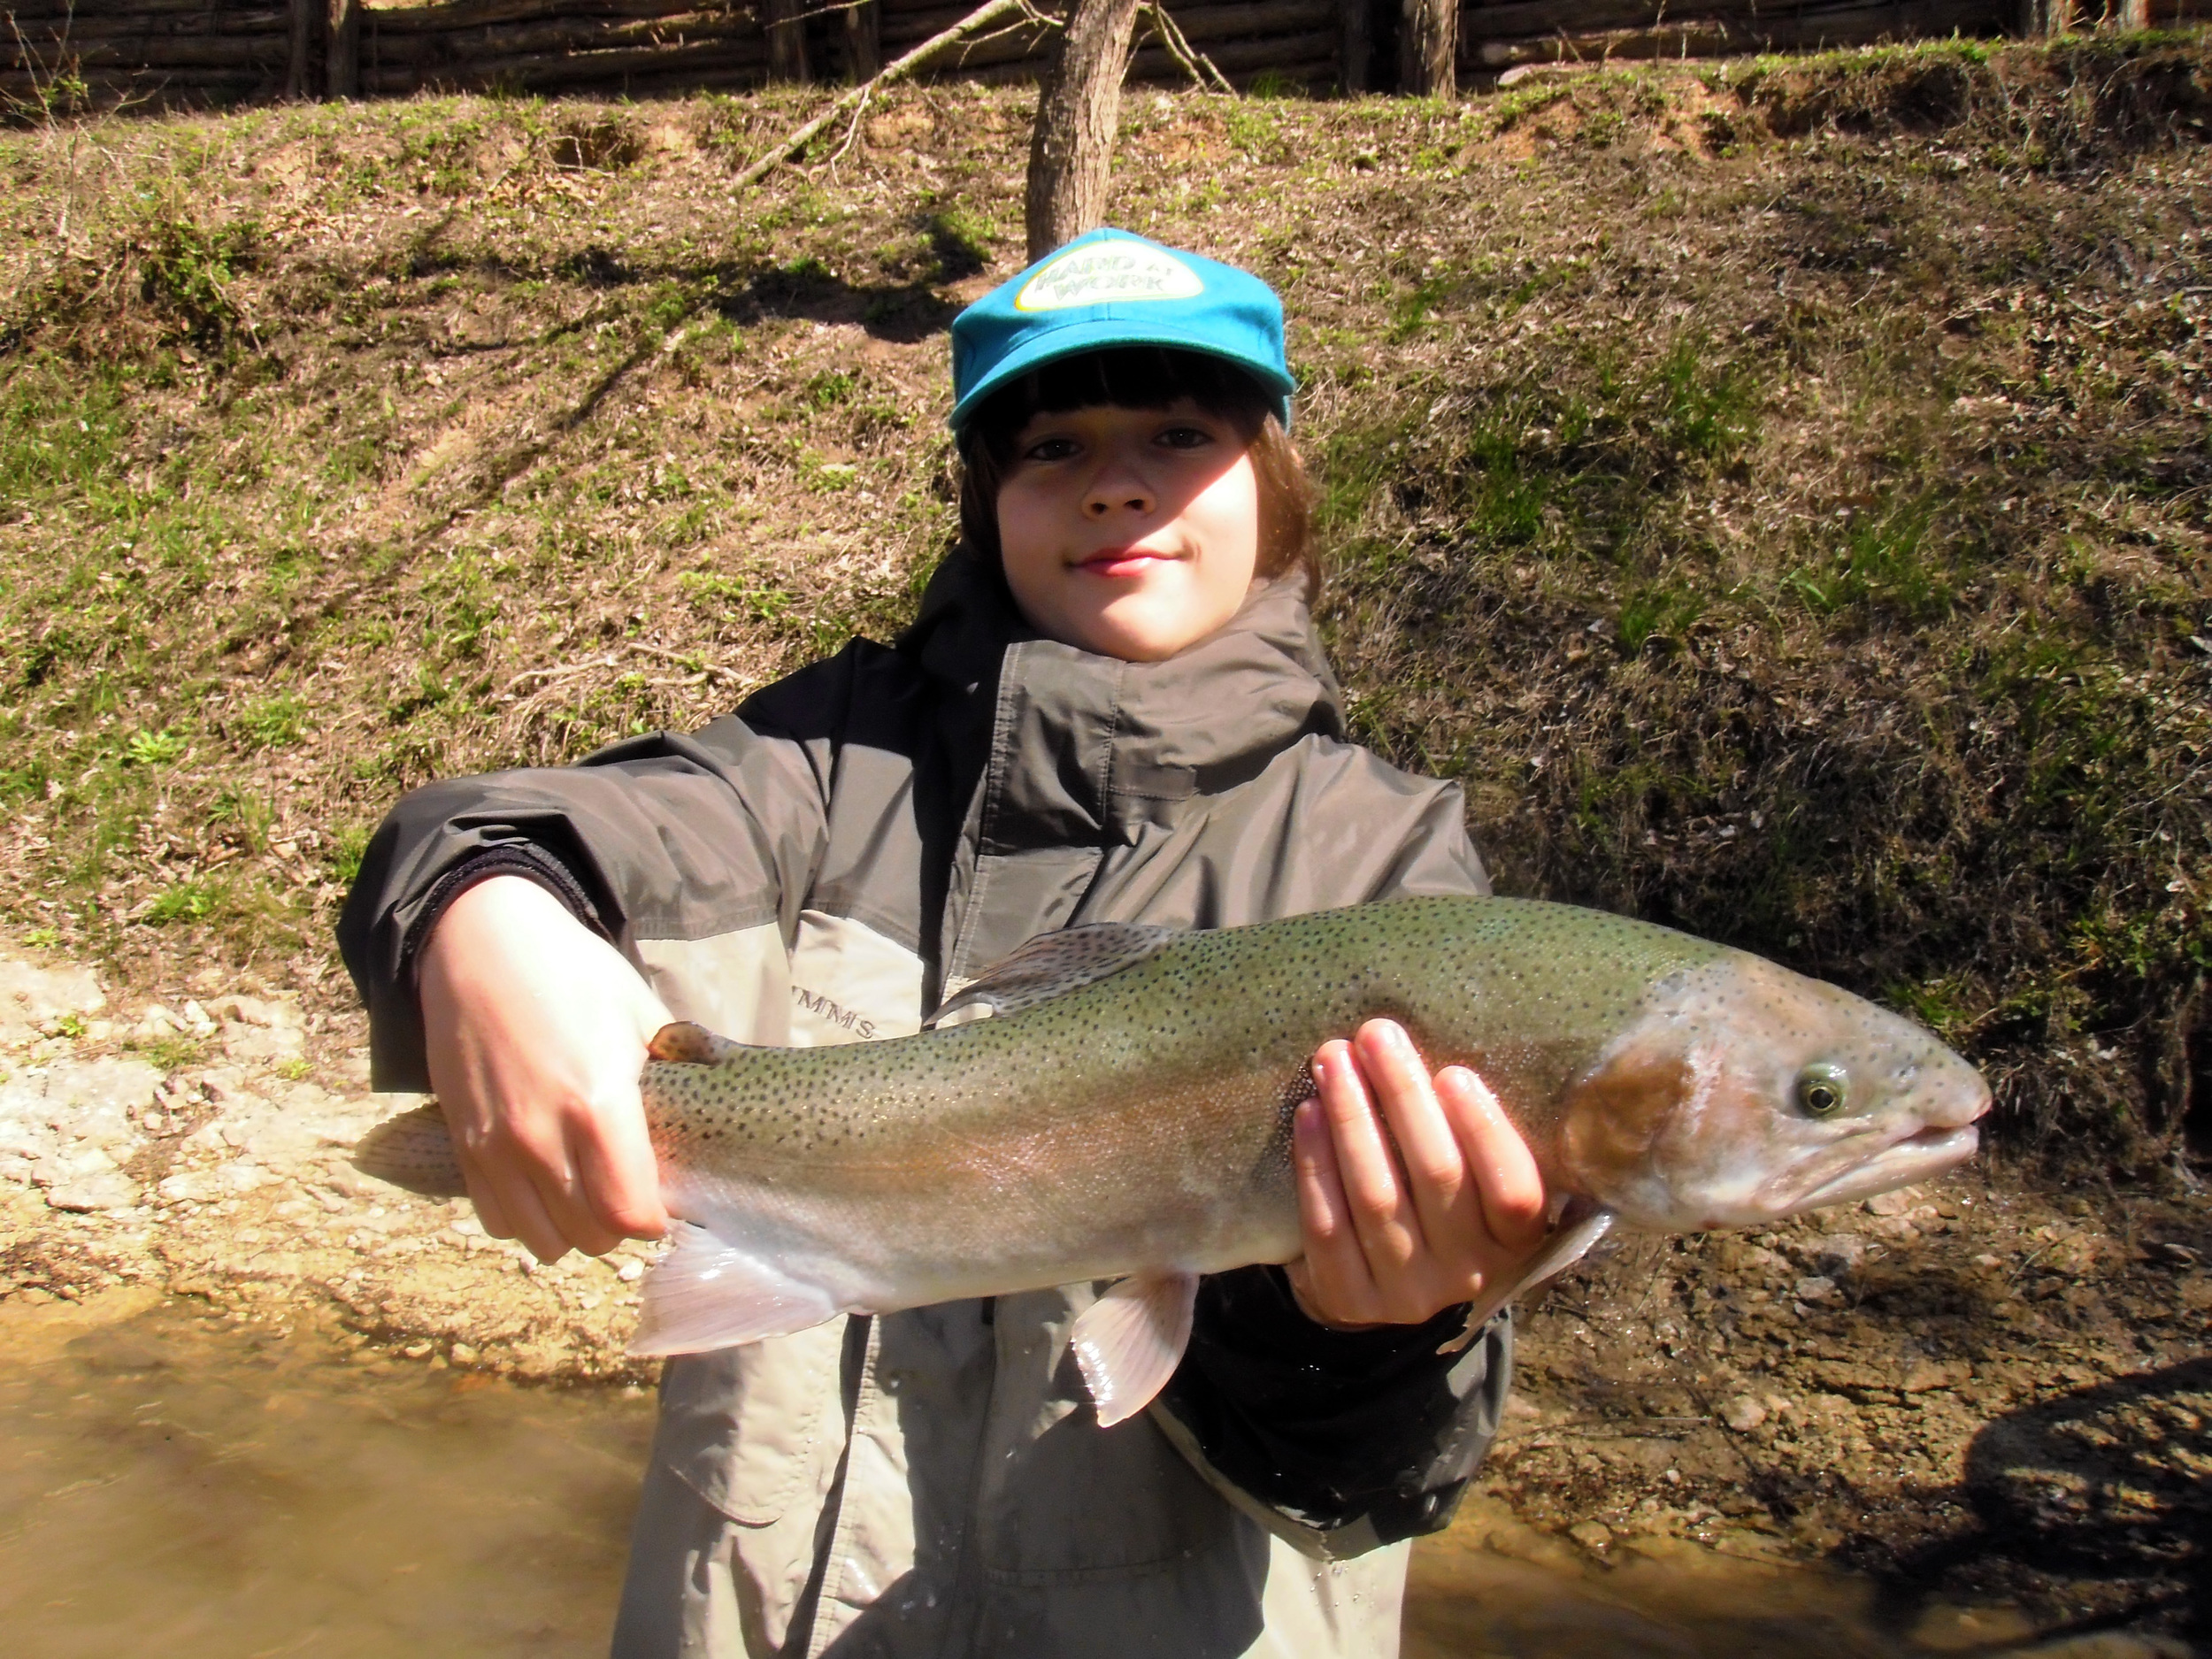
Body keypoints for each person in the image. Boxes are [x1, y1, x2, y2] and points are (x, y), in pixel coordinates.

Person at [338, 227, 1547, 1659]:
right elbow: (524, 822)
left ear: (1273, 488)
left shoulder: (1385, 863)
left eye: (1179, 430)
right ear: (986, 504)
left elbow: (1381, 1483)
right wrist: (481, 907)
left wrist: (1358, 1333)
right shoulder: (824, 763)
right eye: (1052, 446)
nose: (1114, 480)